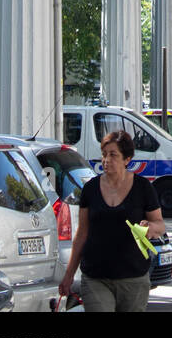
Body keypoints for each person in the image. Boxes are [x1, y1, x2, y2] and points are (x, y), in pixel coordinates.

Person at [59, 129, 166, 312]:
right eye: (104, 154)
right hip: (96, 277)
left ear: (127, 159)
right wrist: (69, 275)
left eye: (113, 155)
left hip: (133, 277)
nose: (106, 160)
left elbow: (160, 225)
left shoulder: (143, 188)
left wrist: (150, 227)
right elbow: (82, 234)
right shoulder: (90, 189)